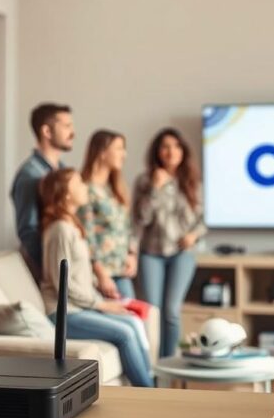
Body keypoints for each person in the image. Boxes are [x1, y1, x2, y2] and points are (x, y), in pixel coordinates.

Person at [39, 168, 153, 387]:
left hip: (80, 307)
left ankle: (151, 384)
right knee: (125, 333)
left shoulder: (71, 226)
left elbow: (80, 277)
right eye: (79, 183)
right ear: (65, 193)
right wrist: (101, 305)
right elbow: (62, 285)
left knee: (132, 321)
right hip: (64, 314)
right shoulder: (60, 230)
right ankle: (150, 393)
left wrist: (105, 300)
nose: (85, 187)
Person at [132, 128, 206, 359]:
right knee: (153, 311)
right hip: (151, 253)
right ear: (157, 152)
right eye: (165, 147)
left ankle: (169, 362)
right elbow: (141, 219)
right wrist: (155, 188)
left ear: (183, 151)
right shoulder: (144, 181)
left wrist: (193, 235)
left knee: (172, 311)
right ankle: (151, 364)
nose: (171, 151)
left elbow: (204, 220)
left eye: (176, 146)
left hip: (182, 253)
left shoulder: (193, 182)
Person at [10, 103, 74, 278]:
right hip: (48, 272)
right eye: (67, 126)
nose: (72, 132)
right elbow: (28, 230)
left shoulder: (62, 170)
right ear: (46, 131)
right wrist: (52, 268)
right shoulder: (30, 175)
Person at [78, 130, 138, 300]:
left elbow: (127, 228)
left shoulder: (114, 189)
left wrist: (132, 255)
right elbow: (86, 237)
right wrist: (101, 275)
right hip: (101, 277)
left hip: (121, 270)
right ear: (102, 152)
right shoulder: (85, 190)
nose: (124, 154)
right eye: (118, 148)